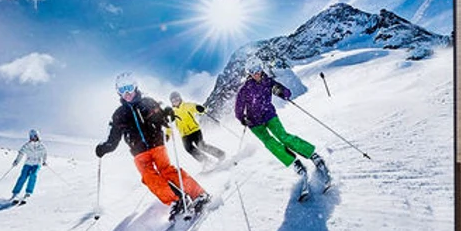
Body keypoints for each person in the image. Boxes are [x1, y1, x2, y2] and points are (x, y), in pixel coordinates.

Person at [96, 75, 208, 216]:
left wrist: (168, 112)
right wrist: (105, 147)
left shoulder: (148, 102)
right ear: (118, 92)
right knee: (149, 177)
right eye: (123, 90)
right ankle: (176, 200)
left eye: (129, 88)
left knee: (167, 171)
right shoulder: (118, 115)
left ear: (135, 87)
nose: (127, 93)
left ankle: (198, 194)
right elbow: (113, 137)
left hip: (156, 144)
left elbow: (163, 112)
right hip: (138, 152)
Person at [234, 62, 331, 192]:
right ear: (249, 74)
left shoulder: (268, 82)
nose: (256, 73)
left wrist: (280, 91)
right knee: (270, 143)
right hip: (254, 122)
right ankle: (295, 163)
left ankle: (312, 155)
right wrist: (243, 118)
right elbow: (238, 109)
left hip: (269, 115)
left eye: (258, 70)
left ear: (261, 69)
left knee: (283, 137)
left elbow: (287, 92)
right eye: (253, 71)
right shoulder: (245, 89)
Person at [167, 91, 224, 165]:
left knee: (201, 145)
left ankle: (220, 154)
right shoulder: (172, 112)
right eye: (173, 100)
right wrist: (168, 131)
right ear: (171, 102)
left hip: (195, 130)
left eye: (177, 98)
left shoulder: (187, 105)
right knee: (189, 148)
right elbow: (168, 123)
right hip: (184, 135)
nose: (176, 101)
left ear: (180, 98)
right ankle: (206, 161)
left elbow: (195, 107)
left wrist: (200, 108)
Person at [7, 130, 46, 203]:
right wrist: (17, 161)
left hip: (36, 164)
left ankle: (28, 193)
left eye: (34, 136)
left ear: (37, 136)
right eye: (31, 136)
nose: (33, 138)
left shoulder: (41, 146)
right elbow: (21, 153)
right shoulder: (27, 145)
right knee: (23, 176)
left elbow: (44, 154)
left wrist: (44, 161)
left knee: (33, 175)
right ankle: (15, 193)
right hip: (28, 163)